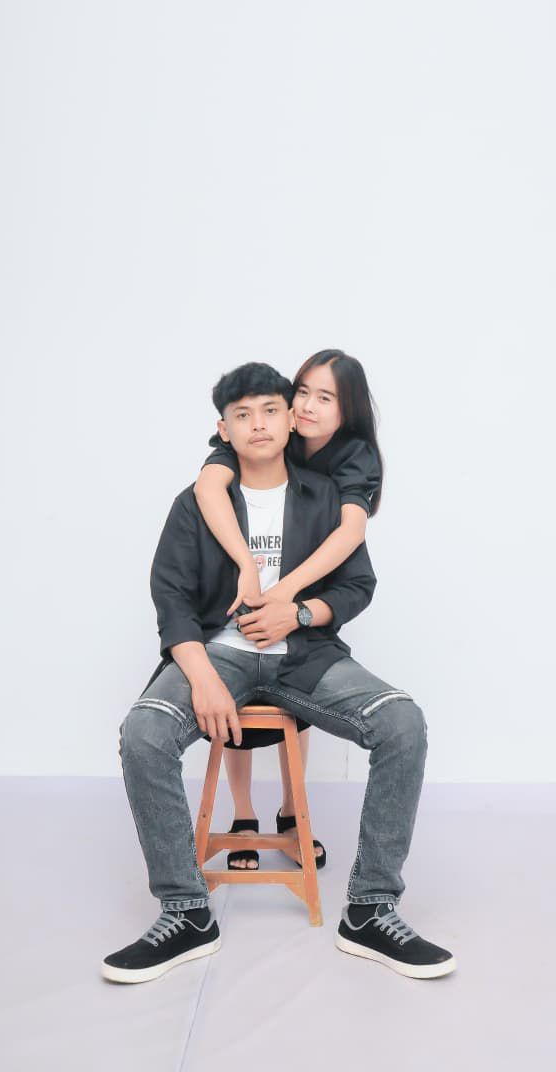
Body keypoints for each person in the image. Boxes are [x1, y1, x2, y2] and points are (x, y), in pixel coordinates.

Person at [102, 362, 456, 984]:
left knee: (402, 721)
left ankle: (370, 910)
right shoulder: (198, 501)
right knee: (143, 733)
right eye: (242, 415)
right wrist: (203, 677)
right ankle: (186, 913)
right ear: (223, 430)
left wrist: (299, 612)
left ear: (291, 419)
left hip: (305, 655)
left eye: (270, 409)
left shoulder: (326, 496)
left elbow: (356, 584)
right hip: (218, 654)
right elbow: (172, 598)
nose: (258, 424)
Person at [193, 350, 382, 872]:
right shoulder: (269, 428)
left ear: (347, 409)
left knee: (298, 698)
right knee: (233, 698)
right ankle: (243, 814)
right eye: (302, 392)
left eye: (326, 398)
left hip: (298, 592)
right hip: (239, 600)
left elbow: (351, 532)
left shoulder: (353, 456)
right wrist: (245, 568)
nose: (308, 406)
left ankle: (291, 811)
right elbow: (208, 485)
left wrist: (288, 596)